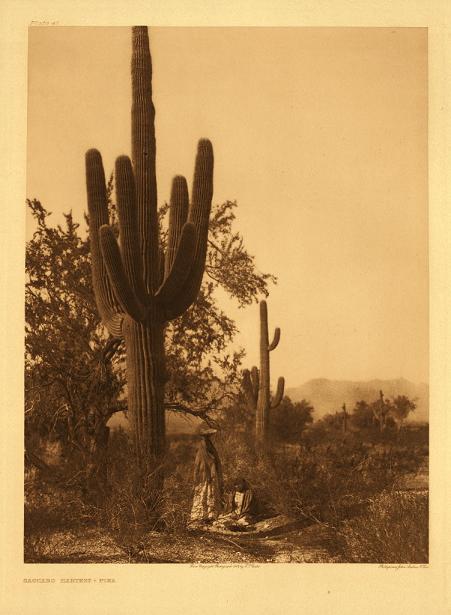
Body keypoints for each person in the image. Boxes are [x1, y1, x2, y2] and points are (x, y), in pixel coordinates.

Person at [189, 423, 224, 526]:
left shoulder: (209, 448)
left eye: (207, 438)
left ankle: (209, 516)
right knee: (204, 494)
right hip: (204, 478)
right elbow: (199, 466)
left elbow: (214, 463)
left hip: (210, 478)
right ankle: (202, 516)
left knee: (208, 493)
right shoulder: (202, 450)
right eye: (205, 438)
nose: (206, 440)